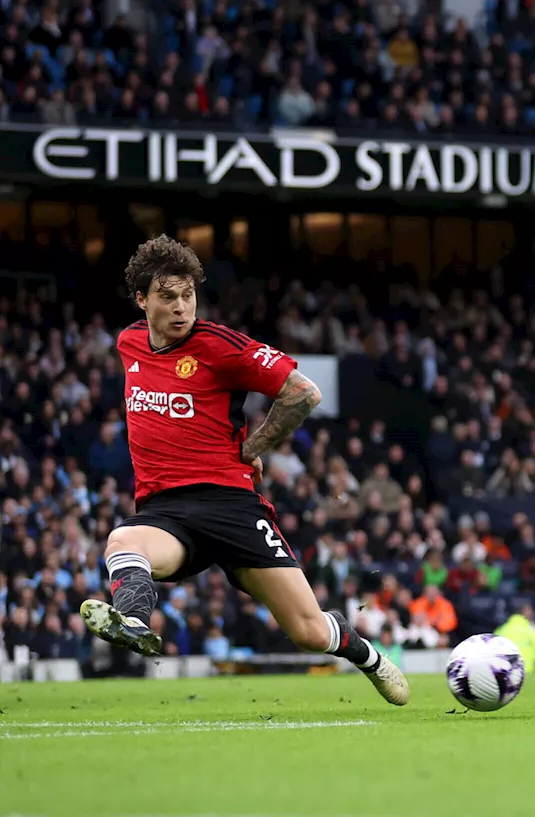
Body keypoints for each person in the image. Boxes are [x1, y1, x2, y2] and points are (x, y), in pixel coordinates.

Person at [79, 236, 409, 705]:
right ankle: (132, 621)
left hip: (231, 506)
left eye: (188, 295)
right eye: (168, 297)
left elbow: (303, 392)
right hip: (166, 513)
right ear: (141, 299)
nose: (180, 307)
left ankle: (368, 657)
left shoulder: (219, 346)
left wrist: (254, 446)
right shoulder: (129, 343)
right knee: (122, 542)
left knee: (310, 633)